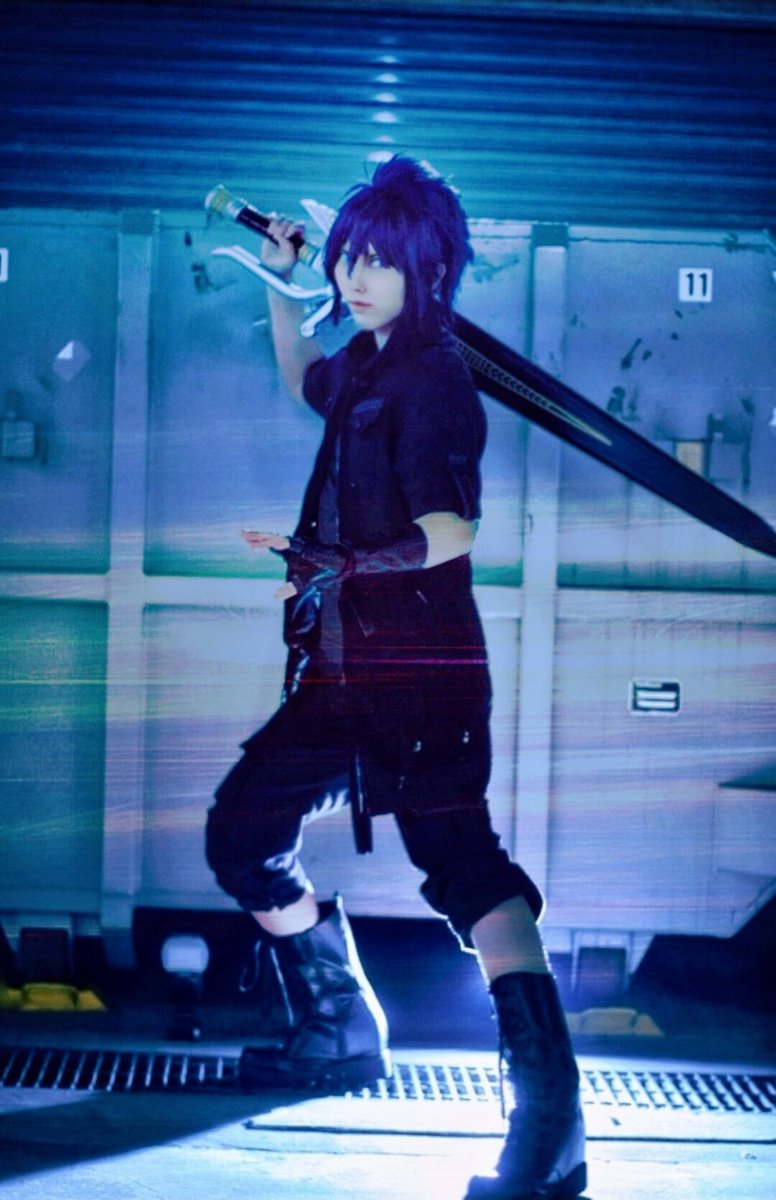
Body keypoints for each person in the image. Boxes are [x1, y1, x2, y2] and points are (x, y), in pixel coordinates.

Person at [205, 155, 586, 1199]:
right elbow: (304, 378)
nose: (356, 277)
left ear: (428, 271)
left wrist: (339, 561)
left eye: (379, 261)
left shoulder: (436, 378)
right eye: (348, 258)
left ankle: (550, 1123)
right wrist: (287, 289)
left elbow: (451, 531)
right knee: (243, 832)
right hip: (339, 679)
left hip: (423, 678)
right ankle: (337, 1027)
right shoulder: (366, 365)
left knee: (465, 870)